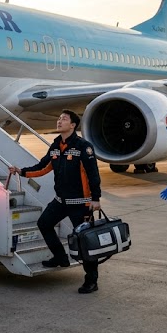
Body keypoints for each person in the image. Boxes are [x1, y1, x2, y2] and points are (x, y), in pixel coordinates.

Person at [9, 110, 102, 294]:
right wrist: (21, 171)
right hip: (60, 201)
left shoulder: (84, 147)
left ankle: (91, 280)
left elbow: (93, 175)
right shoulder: (56, 146)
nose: (59, 121)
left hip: (81, 203)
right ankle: (60, 257)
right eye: (59, 118)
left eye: (64, 119)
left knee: (84, 240)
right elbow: (42, 167)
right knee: (44, 223)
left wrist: (96, 199)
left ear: (73, 125)